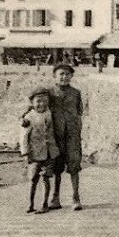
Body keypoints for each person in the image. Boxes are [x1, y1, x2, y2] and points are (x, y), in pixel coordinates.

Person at [49, 64, 84, 211]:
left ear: (71, 76)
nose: (64, 77)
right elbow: (36, 107)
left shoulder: (76, 93)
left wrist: (77, 133)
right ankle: (55, 198)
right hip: (56, 135)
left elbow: (79, 112)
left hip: (72, 136)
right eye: (61, 74)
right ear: (55, 76)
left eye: (67, 74)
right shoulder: (49, 93)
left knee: (74, 167)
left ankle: (75, 198)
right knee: (57, 168)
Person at [20, 86, 60, 214]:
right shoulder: (29, 118)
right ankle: (30, 204)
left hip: (49, 153)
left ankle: (44, 204)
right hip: (35, 154)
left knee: (46, 178)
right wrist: (25, 153)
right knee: (33, 179)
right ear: (32, 102)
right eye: (38, 101)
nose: (41, 104)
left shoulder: (50, 113)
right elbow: (24, 137)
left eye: (44, 101)